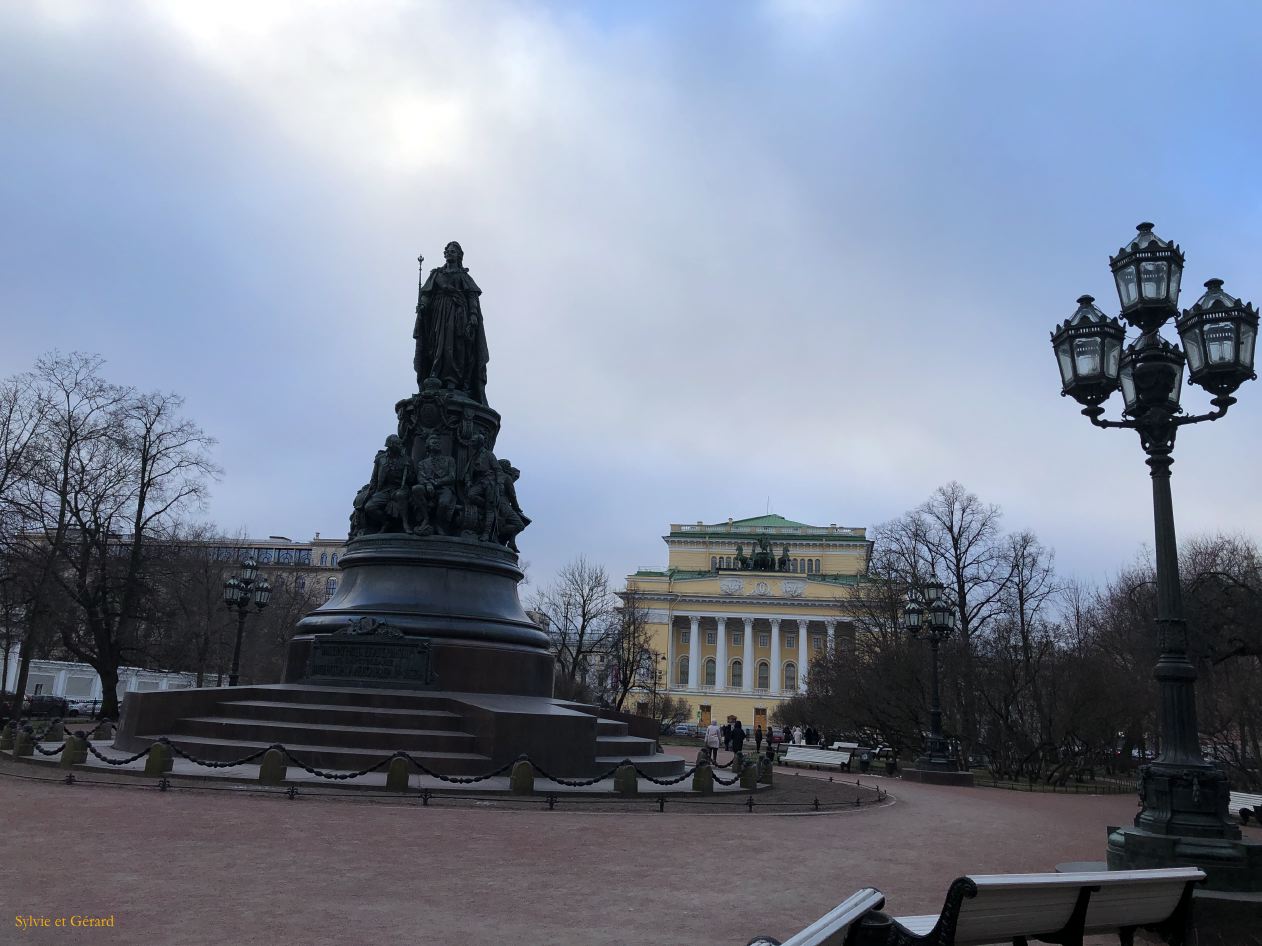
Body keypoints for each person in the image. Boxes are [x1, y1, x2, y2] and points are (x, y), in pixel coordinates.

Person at [413, 241, 490, 404]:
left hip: (458, 313)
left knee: (456, 347)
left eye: (453, 251)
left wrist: (474, 314)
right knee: (435, 344)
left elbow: (471, 296)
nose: (449, 253)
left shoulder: (464, 276)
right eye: (447, 251)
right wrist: (423, 305)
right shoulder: (436, 274)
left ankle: (452, 380)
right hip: (438, 313)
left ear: (459, 255)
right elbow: (426, 294)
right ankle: (434, 376)